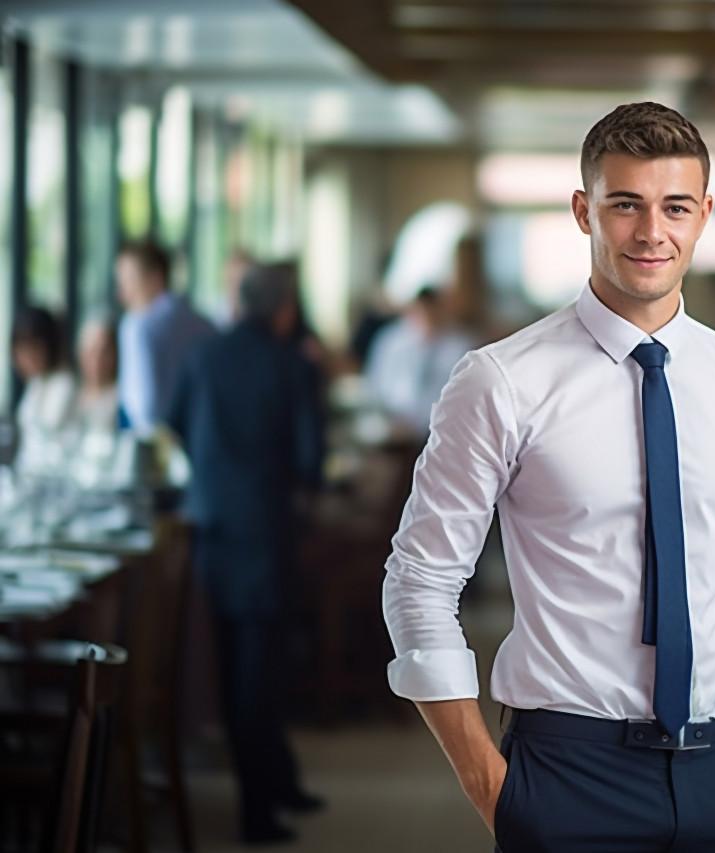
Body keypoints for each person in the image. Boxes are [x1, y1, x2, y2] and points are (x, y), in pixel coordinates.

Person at [383, 102, 715, 853]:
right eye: (626, 205)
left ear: (705, 214)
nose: (653, 232)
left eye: (675, 206)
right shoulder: (501, 380)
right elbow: (419, 581)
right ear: (585, 210)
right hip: (566, 771)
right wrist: (492, 787)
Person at [168, 264, 326, 845]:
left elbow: (174, 426)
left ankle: (279, 783)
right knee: (260, 676)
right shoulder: (292, 365)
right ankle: (256, 812)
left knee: (240, 668)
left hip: (212, 530)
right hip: (266, 533)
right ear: (284, 309)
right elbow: (311, 460)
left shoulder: (203, 357)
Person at [116, 240, 216, 436]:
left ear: (156, 277)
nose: (123, 294)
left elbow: (145, 408)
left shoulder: (137, 326)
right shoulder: (205, 324)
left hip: (154, 445)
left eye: (129, 281)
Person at [363, 286, 473, 438]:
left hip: (440, 429)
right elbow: (376, 386)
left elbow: (463, 395)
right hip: (393, 425)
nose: (427, 319)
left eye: (432, 313)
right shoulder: (391, 342)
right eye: (421, 313)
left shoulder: (460, 346)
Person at [11, 307, 75, 471]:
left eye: (33, 347)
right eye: (21, 348)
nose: (27, 356)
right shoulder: (36, 383)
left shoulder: (63, 384)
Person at [73, 319, 120, 434]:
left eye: (104, 352)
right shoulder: (73, 393)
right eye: (91, 351)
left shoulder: (123, 397)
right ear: (81, 355)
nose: (97, 359)